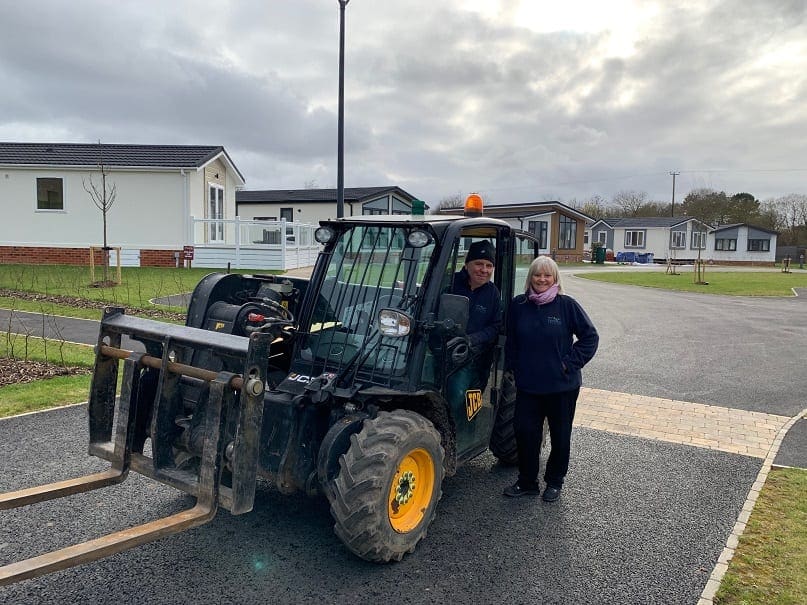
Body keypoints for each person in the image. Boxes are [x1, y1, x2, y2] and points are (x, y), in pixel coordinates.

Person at [503, 255, 598, 501]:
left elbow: (590, 337)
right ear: (530, 277)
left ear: (555, 278)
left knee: (560, 435)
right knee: (525, 433)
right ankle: (527, 482)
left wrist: (569, 364)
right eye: (537, 274)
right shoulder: (518, 305)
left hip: (561, 386)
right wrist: (513, 368)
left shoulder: (566, 305)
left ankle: (554, 481)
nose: (542, 279)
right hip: (528, 386)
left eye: (547, 275)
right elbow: (511, 341)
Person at [445, 240, 502, 400]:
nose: (484, 270)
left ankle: (462, 423)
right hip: (441, 349)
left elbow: (495, 326)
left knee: (457, 395)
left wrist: (472, 339)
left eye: (489, 265)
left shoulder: (492, 294)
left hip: (471, 356)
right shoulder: (450, 283)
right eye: (479, 264)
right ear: (467, 264)